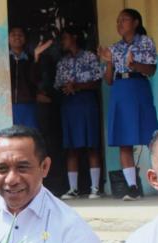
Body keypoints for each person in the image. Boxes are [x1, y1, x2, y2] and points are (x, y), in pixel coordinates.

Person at [98, 8, 158, 201]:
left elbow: (151, 70)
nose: (119, 24)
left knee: (152, 137)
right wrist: (108, 62)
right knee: (124, 140)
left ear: (135, 22)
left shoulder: (146, 42)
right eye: (117, 21)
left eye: (124, 20)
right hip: (120, 89)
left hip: (138, 87)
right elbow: (108, 80)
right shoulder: (114, 48)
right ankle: (132, 187)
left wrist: (134, 65)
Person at [54, 26, 104, 200]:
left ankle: (95, 188)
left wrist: (78, 86)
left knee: (92, 145)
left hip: (87, 102)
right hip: (69, 104)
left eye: (65, 38)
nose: (63, 42)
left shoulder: (90, 56)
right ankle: (73, 188)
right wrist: (66, 87)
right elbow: (57, 84)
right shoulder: (62, 62)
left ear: (74, 37)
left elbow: (98, 82)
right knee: (72, 147)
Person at [8, 27, 52, 130]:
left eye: (20, 34)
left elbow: (36, 79)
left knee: (30, 137)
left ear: (25, 39)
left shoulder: (31, 59)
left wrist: (36, 57)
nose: (17, 37)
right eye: (13, 34)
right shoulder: (2, 58)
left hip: (28, 105)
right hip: (7, 106)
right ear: (8, 39)